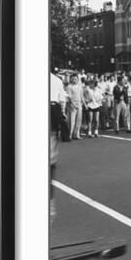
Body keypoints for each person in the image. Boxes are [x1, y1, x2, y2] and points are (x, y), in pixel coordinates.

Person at [50, 72, 67, 222]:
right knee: (50, 159)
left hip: (52, 111)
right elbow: (62, 100)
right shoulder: (56, 80)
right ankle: (50, 203)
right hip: (53, 111)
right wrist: (62, 113)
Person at [66, 73, 85, 140]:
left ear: (78, 79)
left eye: (76, 79)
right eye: (73, 79)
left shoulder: (80, 86)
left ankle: (76, 134)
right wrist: (73, 104)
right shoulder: (69, 86)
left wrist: (84, 104)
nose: (74, 80)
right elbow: (69, 97)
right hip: (72, 105)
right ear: (71, 79)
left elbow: (82, 96)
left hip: (79, 104)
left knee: (78, 121)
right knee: (71, 121)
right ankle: (69, 135)